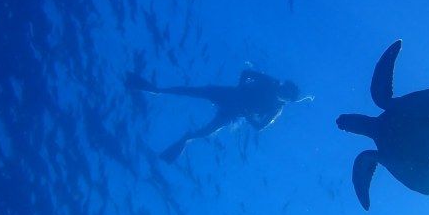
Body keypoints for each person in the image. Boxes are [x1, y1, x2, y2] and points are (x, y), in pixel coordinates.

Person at [126, 68, 306, 163]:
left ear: (287, 99)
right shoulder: (271, 82)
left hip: (234, 113)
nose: (282, 91)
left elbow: (259, 127)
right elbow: (246, 72)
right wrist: (240, 88)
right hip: (230, 95)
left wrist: (247, 115)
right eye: (285, 88)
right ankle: (156, 89)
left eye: (286, 94)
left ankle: (185, 139)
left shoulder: (276, 108)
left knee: (207, 131)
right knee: (194, 92)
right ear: (284, 85)